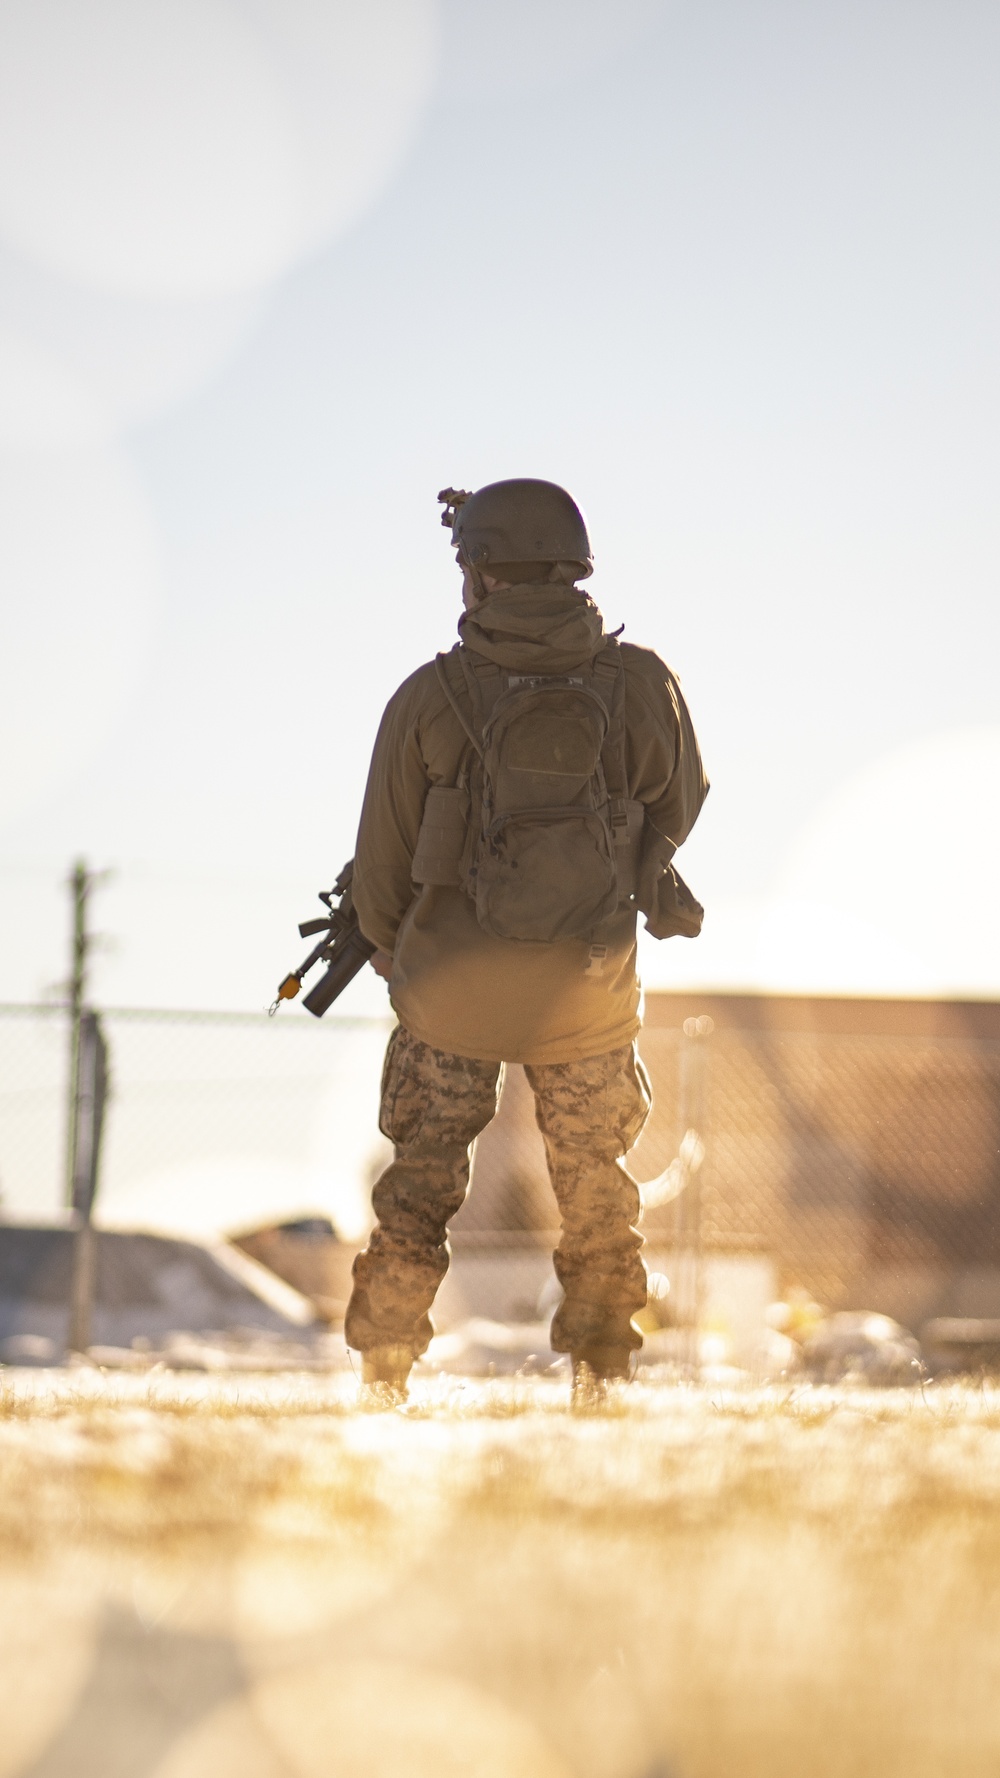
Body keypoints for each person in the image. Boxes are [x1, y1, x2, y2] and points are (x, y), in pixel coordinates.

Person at [345, 478, 708, 1398]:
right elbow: (681, 800)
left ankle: (386, 1365)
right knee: (595, 1181)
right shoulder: (640, 685)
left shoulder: (431, 696)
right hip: (586, 984)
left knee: (420, 1181)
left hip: (450, 990)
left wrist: (401, 955)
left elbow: (381, 860)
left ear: (477, 574)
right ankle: (600, 1366)